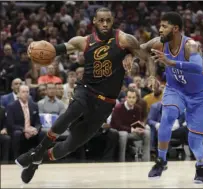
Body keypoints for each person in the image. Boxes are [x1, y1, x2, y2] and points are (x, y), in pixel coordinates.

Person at [15, 7, 146, 184]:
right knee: (74, 110)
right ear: (94, 21)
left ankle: (35, 161)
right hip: (87, 90)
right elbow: (56, 49)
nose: (105, 23)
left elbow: (141, 51)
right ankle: (37, 152)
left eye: (108, 20)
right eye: (101, 20)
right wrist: (36, 47)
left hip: (106, 102)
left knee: (69, 146)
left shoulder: (121, 38)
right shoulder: (83, 41)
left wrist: (132, 56)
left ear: (113, 21)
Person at [140, 12, 203, 183]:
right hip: (175, 88)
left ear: (176, 28)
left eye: (164, 26)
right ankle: (161, 160)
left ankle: (201, 164)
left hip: (199, 95)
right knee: (167, 116)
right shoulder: (158, 42)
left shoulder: (190, 45)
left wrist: (171, 62)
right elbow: (138, 48)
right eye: (160, 26)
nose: (160, 29)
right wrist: (128, 56)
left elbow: (198, 66)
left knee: (194, 142)